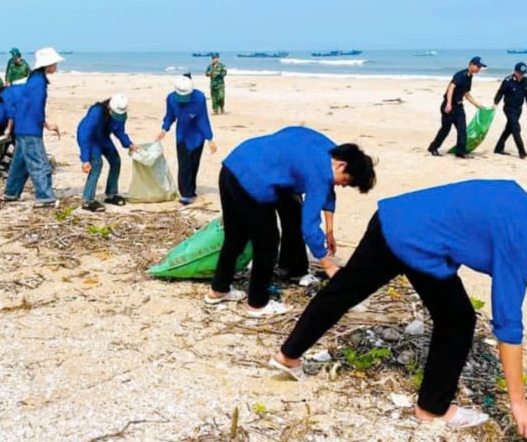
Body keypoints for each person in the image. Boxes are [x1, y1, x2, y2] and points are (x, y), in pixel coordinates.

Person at [272, 179, 527, 441]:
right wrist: (519, 403)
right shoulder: (521, 246)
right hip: (414, 242)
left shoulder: (523, 204)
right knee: (458, 319)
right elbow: (508, 327)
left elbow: (464, 213)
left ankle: (288, 354)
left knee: (342, 292)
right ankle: (432, 409)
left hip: (393, 218)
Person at [206, 127, 377, 317]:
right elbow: (309, 226)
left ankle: (218, 290)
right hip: (254, 182)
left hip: (233, 164)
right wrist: (329, 266)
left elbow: (291, 131)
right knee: (268, 242)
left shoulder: (328, 148)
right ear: (342, 166)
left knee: (235, 236)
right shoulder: (320, 175)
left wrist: (329, 231)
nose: (343, 185)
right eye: (346, 181)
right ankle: (257, 304)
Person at [3, 47, 63, 207]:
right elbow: (36, 107)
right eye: (54, 63)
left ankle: (11, 193)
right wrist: (47, 124)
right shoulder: (38, 82)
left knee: (20, 163)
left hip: (22, 126)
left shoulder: (35, 78)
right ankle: (45, 197)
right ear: (47, 64)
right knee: (40, 163)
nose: (56, 66)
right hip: (30, 128)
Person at [156, 75, 216, 205]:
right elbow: (170, 116)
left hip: (198, 135)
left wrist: (209, 138)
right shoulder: (171, 98)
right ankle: (185, 194)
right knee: (184, 165)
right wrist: (164, 129)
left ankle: (191, 190)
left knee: (194, 164)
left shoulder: (199, 98)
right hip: (182, 134)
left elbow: (203, 118)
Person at [76, 94, 136, 212]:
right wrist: (85, 159)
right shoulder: (96, 112)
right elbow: (85, 134)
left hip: (103, 138)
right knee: (97, 165)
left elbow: (119, 130)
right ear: (109, 107)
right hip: (91, 139)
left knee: (116, 161)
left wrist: (129, 143)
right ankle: (87, 200)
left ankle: (111, 194)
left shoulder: (121, 114)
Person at [427, 56, 488, 158]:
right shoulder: (461, 75)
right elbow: (451, 87)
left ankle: (460, 152)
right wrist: (449, 103)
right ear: (472, 64)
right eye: (478, 66)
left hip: (459, 107)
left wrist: (476, 104)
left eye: (480, 67)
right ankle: (433, 148)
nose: (479, 69)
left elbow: (466, 93)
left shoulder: (469, 77)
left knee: (462, 130)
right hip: (449, 106)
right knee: (445, 130)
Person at [494, 62, 527, 159]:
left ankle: (498, 148)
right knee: (516, 128)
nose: (521, 75)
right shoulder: (508, 81)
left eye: (523, 73)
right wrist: (495, 103)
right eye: (520, 73)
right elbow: (500, 92)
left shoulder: (525, 81)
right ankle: (522, 152)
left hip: (518, 109)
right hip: (509, 108)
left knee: (509, 129)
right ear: (515, 72)